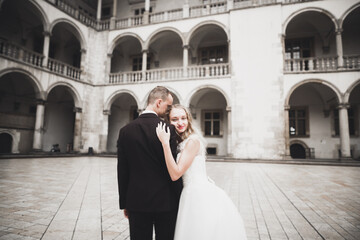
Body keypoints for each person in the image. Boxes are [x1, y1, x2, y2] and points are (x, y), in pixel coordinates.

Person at [156, 104, 247, 240]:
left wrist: (164, 143)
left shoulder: (192, 141)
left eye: (183, 118)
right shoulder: (181, 141)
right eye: (175, 119)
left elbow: (176, 174)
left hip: (197, 194)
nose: (180, 123)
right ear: (168, 121)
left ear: (188, 119)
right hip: (188, 193)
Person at [117, 86, 183, 240]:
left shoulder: (125, 131)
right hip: (166, 202)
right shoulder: (168, 129)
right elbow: (172, 167)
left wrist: (125, 202)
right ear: (159, 102)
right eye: (168, 106)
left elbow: (123, 170)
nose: (168, 110)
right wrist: (179, 200)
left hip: (136, 201)